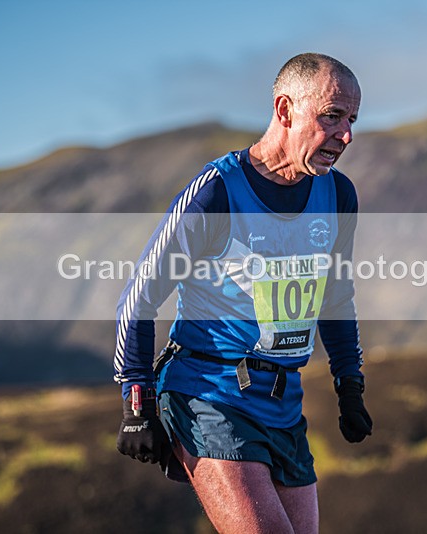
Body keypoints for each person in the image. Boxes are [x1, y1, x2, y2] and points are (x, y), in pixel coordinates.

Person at [114, 52, 372, 534]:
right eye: (332, 116)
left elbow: (335, 295)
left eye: (352, 119)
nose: (346, 135)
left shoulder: (338, 196)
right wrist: (137, 402)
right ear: (284, 110)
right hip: (209, 396)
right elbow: (139, 296)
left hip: (285, 407)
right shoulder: (217, 193)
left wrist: (349, 384)